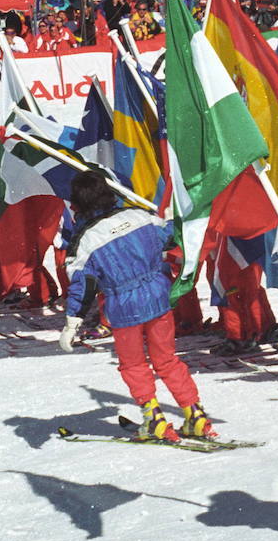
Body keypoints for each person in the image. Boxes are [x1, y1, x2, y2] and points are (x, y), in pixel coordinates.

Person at [57, 171, 213, 442]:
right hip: (158, 297)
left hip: (123, 307)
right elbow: (173, 236)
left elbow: (83, 284)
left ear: (77, 204)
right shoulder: (140, 216)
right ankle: (195, 415)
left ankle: (154, 419)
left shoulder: (84, 241)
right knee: (166, 360)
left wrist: (73, 320)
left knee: (133, 365)